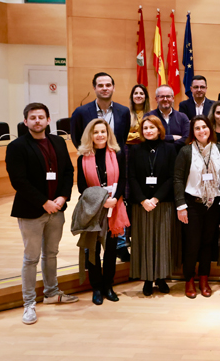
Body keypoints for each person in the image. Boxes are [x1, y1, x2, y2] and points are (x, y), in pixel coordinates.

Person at [6, 103, 78, 325]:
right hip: (31, 211)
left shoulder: (58, 141)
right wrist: (43, 202)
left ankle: (51, 293)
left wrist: (63, 198)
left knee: (51, 253)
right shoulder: (17, 146)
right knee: (31, 258)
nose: (37, 121)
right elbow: (19, 181)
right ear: (25, 122)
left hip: (57, 209)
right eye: (32, 117)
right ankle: (29, 304)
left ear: (48, 120)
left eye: (41, 117)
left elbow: (68, 171)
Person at [76, 118, 129, 305]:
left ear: (108, 134)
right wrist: (102, 201)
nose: (100, 135)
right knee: (93, 250)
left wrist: (115, 199)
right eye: (96, 132)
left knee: (111, 250)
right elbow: (82, 187)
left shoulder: (117, 154)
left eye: (103, 132)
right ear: (90, 135)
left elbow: (123, 179)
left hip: (115, 208)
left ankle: (108, 286)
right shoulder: (83, 157)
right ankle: (96, 288)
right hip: (93, 210)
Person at [174, 115, 220, 299]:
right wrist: (181, 205)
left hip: (213, 204)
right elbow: (178, 179)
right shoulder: (186, 152)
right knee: (192, 244)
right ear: (192, 132)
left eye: (204, 127)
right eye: (197, 128)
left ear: (210, 129)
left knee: (207, 243)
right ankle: (189, 280)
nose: (202, 131)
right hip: (192, 204)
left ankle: (204, 279)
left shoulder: (219, 150)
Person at [127, 115, 178, 296]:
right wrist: (143, 200)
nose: (148, 131)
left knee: (162, 241)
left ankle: (161, 278)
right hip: (141, 204)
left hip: (162, 203)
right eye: (145, 128)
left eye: (152, 127)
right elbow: (131, 177)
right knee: (144, 241)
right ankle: (147, 279)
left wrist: (155, 199)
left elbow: (172, 177)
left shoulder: (170, 149)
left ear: (159, 129)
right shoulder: (135, 150)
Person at [71, 72, 131, 149]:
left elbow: (123, 138)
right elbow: (76, 138)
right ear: (94, 88)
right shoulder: (80, 112)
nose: (105, 88)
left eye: (108, 85)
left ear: (113, 88)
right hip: (90, 157)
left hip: (116, 158)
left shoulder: (124, 111)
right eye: (100, 85)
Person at [148, 85, 190, 152]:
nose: (165, 99)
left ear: (173, 98)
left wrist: (169, 147)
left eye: (168, 96)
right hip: (156, 156)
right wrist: (172, 137)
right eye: (162, 96)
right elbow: (149, 136)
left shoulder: (182, 117)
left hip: (178, 156)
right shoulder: (149, 117)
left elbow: (187, 138)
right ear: (156, 99)